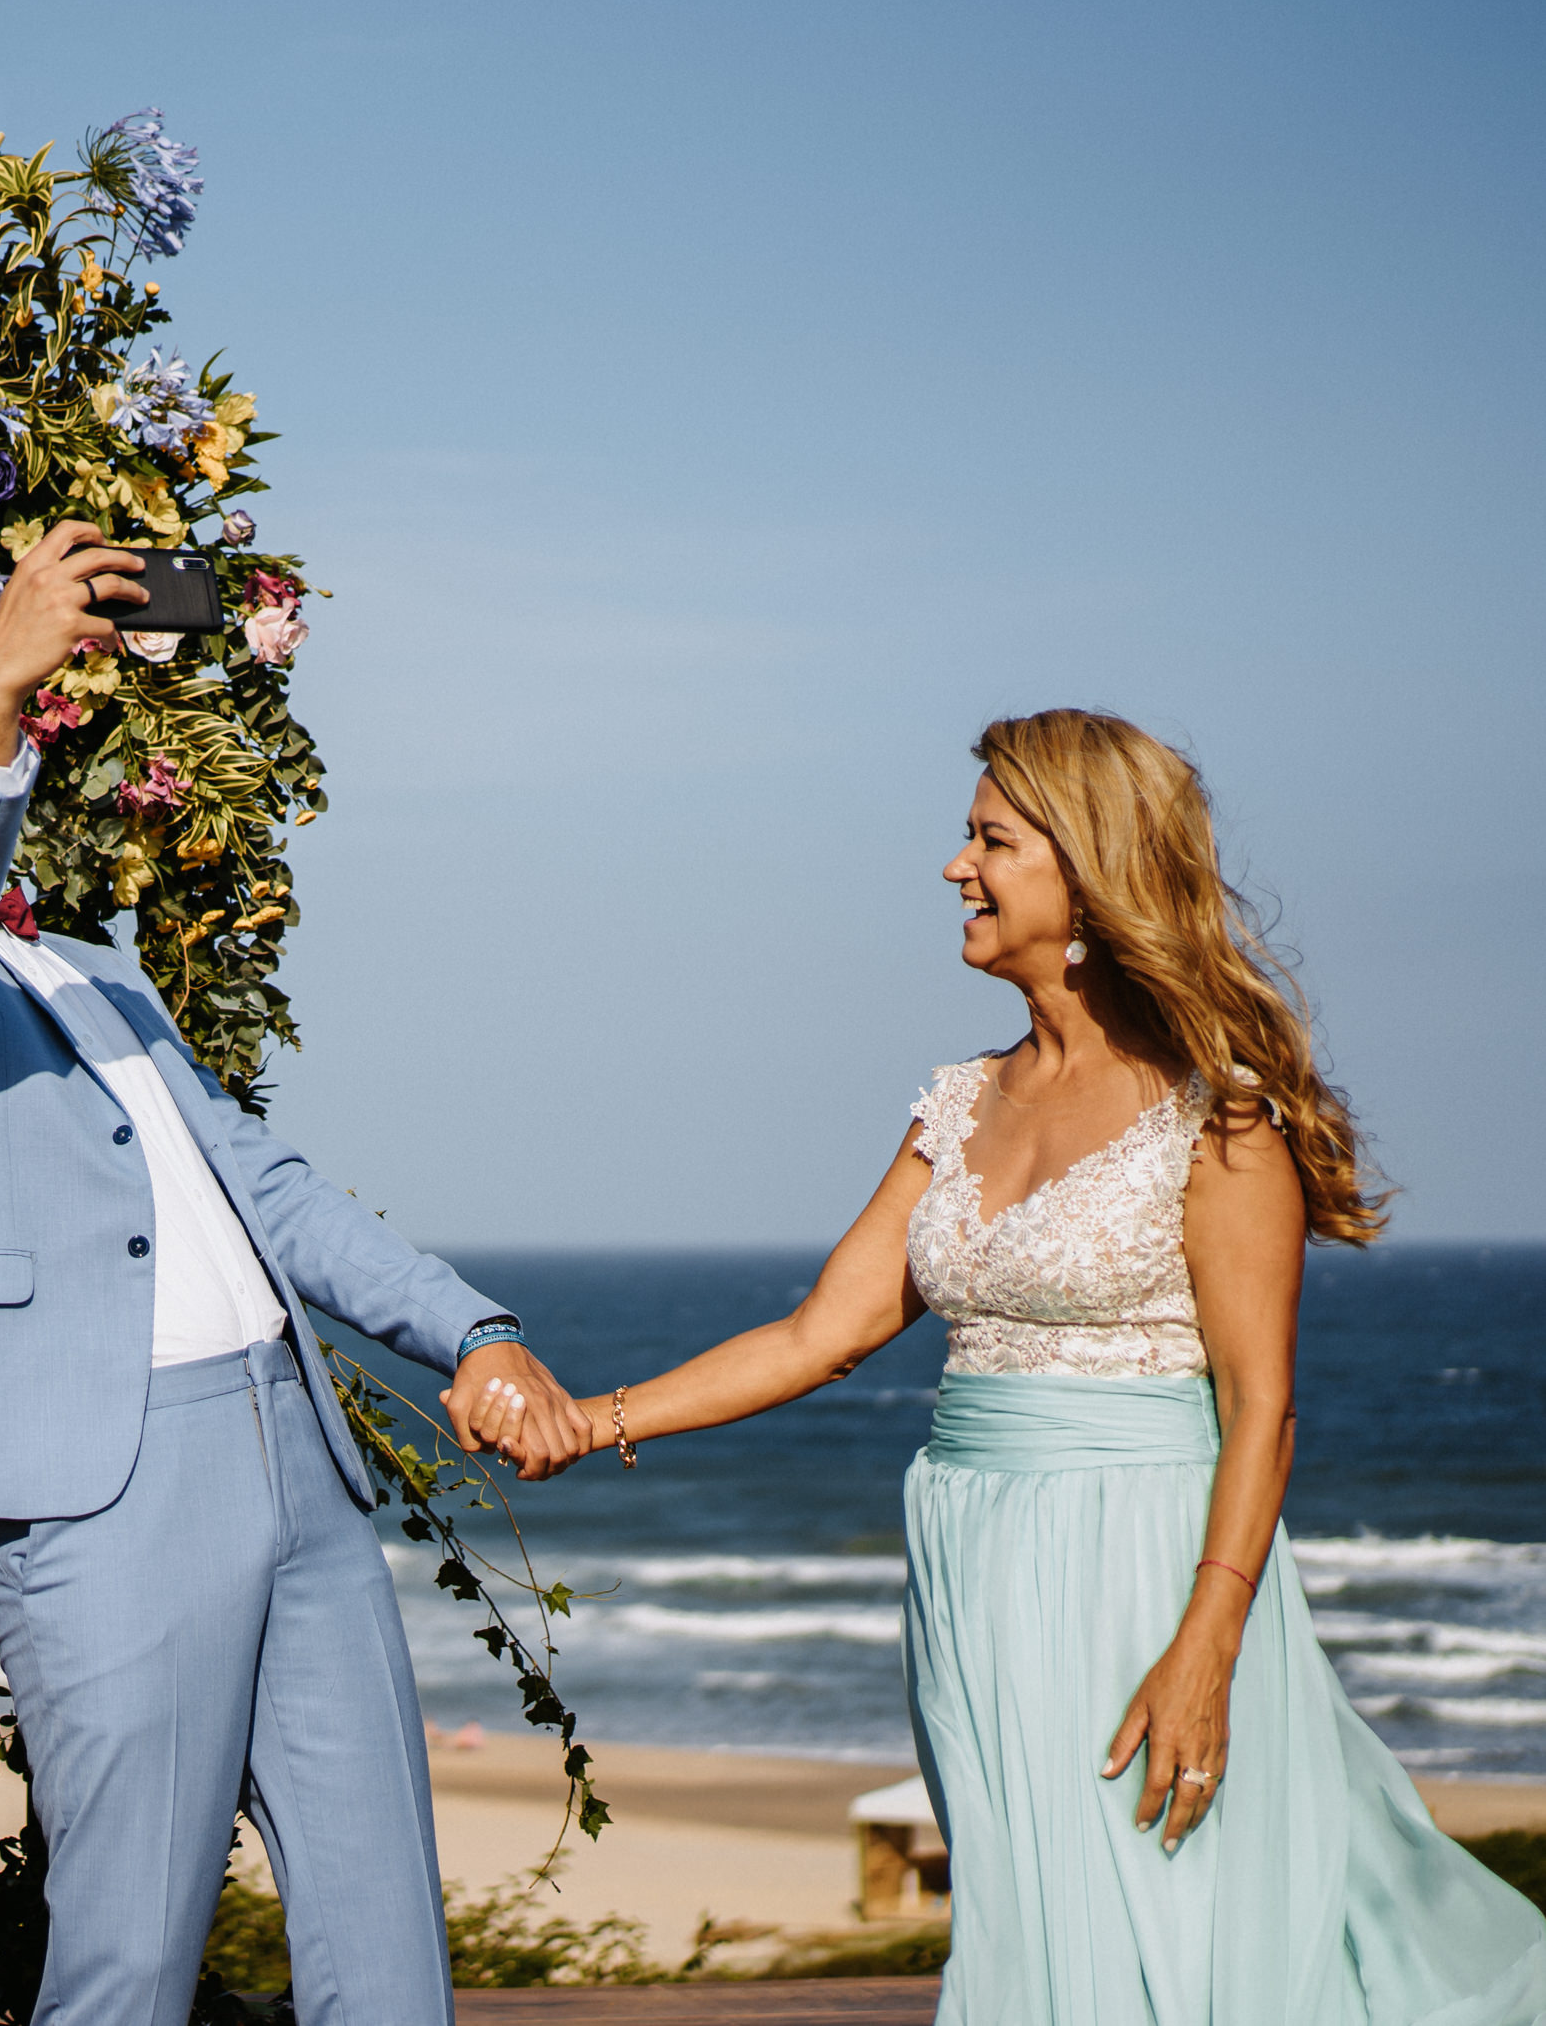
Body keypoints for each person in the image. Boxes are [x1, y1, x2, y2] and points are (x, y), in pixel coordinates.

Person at [555, 712, 1546, 2021]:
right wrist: (590, 1420)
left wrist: (1205, 1647)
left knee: (1178, 1932)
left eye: (991, 840)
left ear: (1085, 875)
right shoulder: (959, 1101)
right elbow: (823, 1332)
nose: (956, 867)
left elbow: (1262, 1410)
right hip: (971, 1557)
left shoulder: (1220, 1109)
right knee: (1029, 1940)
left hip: (1143, 1563)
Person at [0, 528, 591, 2026]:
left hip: (299, 1467)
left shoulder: (101, 970)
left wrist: (467, 1329)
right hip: (102, 1488)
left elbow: (265, 1189)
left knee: (387, 1945)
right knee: (132, 1957)